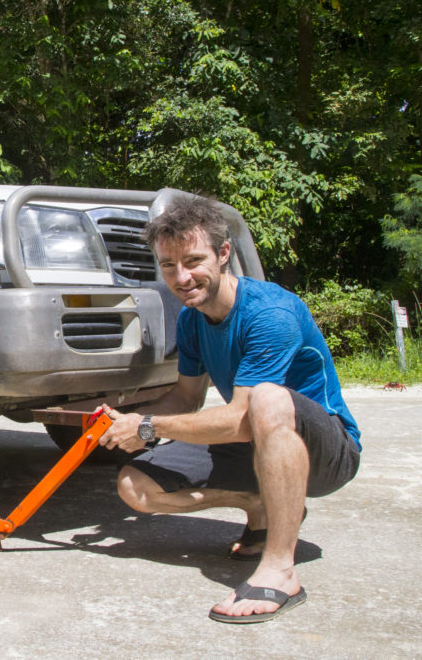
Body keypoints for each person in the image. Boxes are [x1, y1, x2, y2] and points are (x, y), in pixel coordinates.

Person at [96, 194, 361, 624]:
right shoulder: (192, 317)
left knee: (268, 398)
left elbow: (240, 419)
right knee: (135, 487)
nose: (181, 277)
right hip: (258, 442)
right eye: (168, 265)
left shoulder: (270, 312)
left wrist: (147, 427)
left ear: (223, 254)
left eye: (193, 261)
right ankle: (262, 503)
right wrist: (125, 418)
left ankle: (281, 569)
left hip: (326, 452)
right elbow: (186, 399)